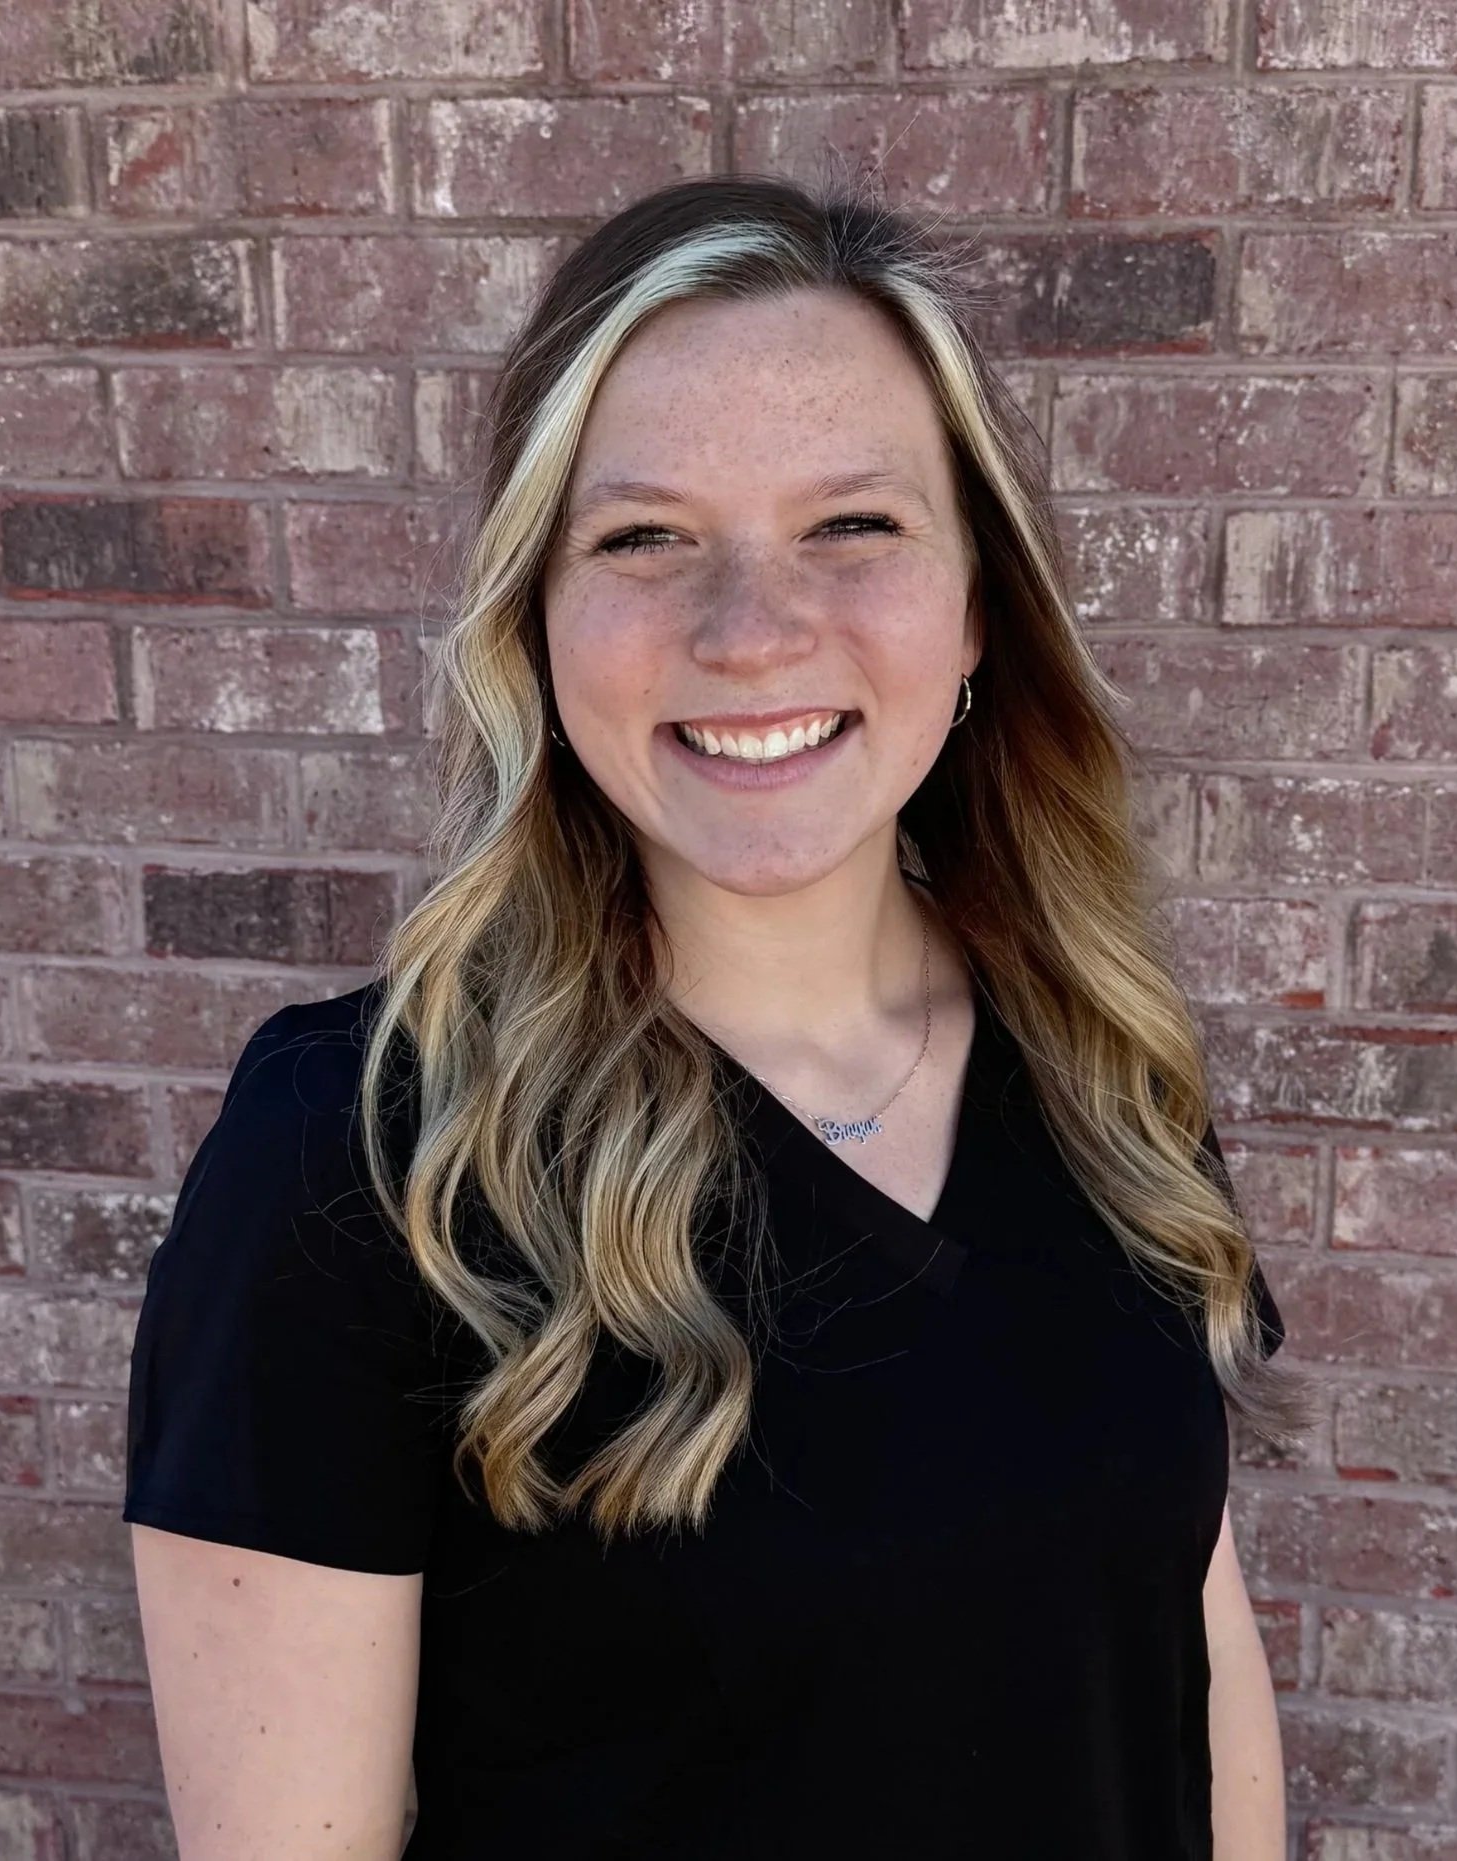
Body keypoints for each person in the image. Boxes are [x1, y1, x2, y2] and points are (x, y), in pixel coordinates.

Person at [122, 171, 1316, 1860]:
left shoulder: (1104, 1071)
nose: (753, 630)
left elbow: (1189, 1650)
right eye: (643, 538)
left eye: (853, 525)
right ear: (536, 620)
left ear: (978, 601)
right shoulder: (355, 1158)